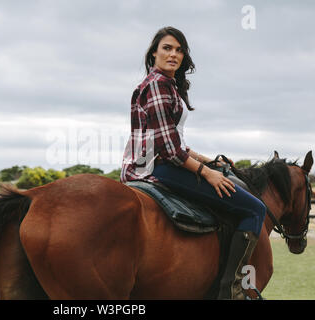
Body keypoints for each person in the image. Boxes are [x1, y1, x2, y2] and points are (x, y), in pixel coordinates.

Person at [120, 26, 266, 300]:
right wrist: (207, 173)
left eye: (179, 50)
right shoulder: (158, 85)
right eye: (167, 48)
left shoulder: (165, 85)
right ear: (154, 53)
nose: (173, 54)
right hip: (159, 168)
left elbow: (175, 143)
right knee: (255, 209)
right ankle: (231, 291)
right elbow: (171, 152)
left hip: (158, 163)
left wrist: (210, 160)